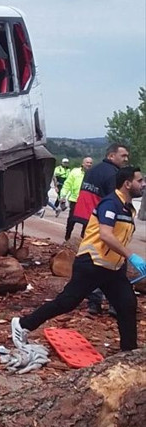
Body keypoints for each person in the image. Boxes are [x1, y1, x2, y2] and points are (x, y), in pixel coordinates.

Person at [11, 166, 145, 353]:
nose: (143, 184)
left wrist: (123, 261)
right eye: (140, 180)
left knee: (127, 305)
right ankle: (23, 324)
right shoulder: (110, 203)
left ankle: (129, 353)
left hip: (113, 269)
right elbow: (105, 235)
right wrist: (131, 256)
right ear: (127, 183)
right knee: (67, 302)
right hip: (92, 264)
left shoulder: (127, 208)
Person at [72, 142, 131, 313]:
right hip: (105, 224)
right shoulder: (114, 175)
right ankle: (115, 304)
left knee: (93, 264)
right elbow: (116, 200)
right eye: (123, 155)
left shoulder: (92, 171)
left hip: (89, 221)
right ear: (111, 156)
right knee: (115, 263)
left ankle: (94, 303)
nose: (126, 159)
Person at [62, 156, 93, 241]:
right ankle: (67, 237)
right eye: (87, 162)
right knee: (71, 219)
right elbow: (67, 184)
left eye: (91, 163)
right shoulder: (75, 172)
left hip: (87, 202)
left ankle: (83, 238)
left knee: (87, 222)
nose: (89, 164)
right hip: (75, 200)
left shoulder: (93, 174)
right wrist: (63, 195)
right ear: (83, 163)